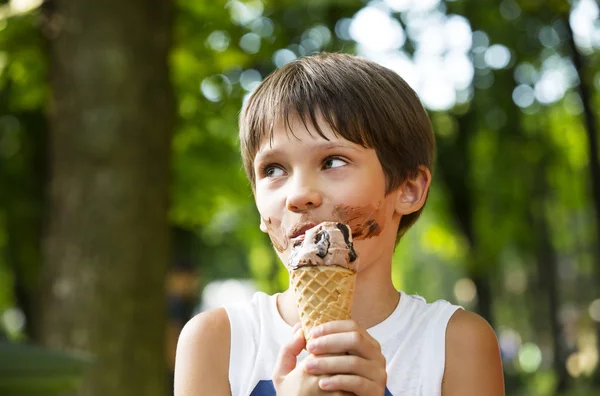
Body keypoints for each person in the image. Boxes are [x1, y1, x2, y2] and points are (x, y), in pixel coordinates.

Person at [174, 52, 504, 396]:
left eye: (332, 161)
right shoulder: (218, 341)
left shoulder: (455, 344)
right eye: (273, 170)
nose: (298, 195)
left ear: (408, 189)